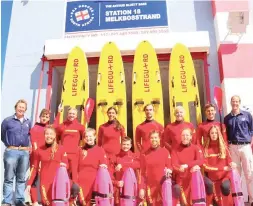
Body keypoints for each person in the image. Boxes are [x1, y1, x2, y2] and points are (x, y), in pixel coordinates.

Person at [26, 125, 68, 206]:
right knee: (46, 203)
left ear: (55, 135)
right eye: (47, 134)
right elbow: (34, 168)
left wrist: (63, 165)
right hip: (44, 183)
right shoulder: (39, 150)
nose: (49, 136)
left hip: (58, 182)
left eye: (51, 134)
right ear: (44, 135)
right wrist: (29, 183)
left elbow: (67, 165)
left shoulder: (61, 149)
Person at [1, 99, 32, 206]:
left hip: (24, 152)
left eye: (23, 107)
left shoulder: (28, 121)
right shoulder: (7, 121)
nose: (21, 109)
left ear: (25, 110)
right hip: (11, 151)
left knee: (21, 177)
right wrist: (10, 146)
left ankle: (19, 200)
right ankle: (7, 201)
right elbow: (3, 135)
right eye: (19, 107)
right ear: (16, 108)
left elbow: (30, 136)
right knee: (9, 177)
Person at [224, 95, 253, 205]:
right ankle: (238, 200)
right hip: (233, 147)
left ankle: (251, 199)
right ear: (230, 103)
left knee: (249, 174)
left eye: (236, 101)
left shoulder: (247, 115)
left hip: (245, 147)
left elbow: (252, 129)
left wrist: (250, 142)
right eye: (233, 101)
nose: (235, 103)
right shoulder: (227, 118)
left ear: (239, 102)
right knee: (236, 175)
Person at [72, 128, 108, 206]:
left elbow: (104, 167)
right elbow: (74, 167)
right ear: (84, 139)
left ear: (95, 137)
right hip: (81, 182)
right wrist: (75, 182)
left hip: (95, 184)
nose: (88, 138)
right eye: (86, 136)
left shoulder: (100, 150)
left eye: (90, 136)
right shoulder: (79, 150)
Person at [203, 125, 236, 205]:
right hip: (212, 179)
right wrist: (222, 168)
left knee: (225, 187)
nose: (214, 135)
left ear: (219, 134)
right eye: (212, 133)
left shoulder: (224, 147)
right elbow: (205, 167)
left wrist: (231, 163)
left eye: (216, 133)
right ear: (209, 135)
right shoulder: (205, 149)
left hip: (224, 177)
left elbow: (229, 159)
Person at [171, 128, 204, 205]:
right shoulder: (175, 149)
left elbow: (201, 161)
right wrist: (180, 168)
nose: (185, 137)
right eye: (183, 135)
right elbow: (174, 164)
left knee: (208, 185)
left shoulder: (196, 148)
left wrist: (188, 165)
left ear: (191, 137)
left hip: (194, 180)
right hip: (181, 181)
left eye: (187, 135)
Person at [139, 130, 172, 205]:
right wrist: (141, 188)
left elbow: (170, 167)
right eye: (152, 138)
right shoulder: (144, 154)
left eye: (156, 137)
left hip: (163, 186)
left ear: (159, 138)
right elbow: (142, 173)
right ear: (149, 139)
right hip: (151, 187)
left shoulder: (165, 152)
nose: (154, 139)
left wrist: (169, 170)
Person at [55, 106, 85, 178]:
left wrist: (83, 150)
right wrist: (59, 112)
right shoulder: (62, 126)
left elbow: (84, 139)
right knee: (63, 175)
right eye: (70, 113)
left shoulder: (81, 127)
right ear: (67, 114)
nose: (71, 115)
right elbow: (55, 128)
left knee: (74, 175)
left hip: (75, 155)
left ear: (76, 115)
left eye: (73, 114)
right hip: (63, 154)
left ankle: (74, 188)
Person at [29, 109, 50, 206]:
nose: (44, 118)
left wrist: (58, 113)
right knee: (34, 178)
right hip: (36, 157)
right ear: (40, 117)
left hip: (46, 157)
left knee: (45, 178)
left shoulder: (49, 128)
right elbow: (34, 143)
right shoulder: (35, 128)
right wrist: (38, 154)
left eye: (46, 117)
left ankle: (46, 200)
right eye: (43, 116)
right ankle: (34, 201)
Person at [98, 107, 126, 177]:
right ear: (107, 114)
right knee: (107, 174)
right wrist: (100, 153)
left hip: (117, 154)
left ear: (116, 114)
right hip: (105, 154)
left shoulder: (120, 127)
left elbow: (124, 141)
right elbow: (99, 142)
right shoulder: (102, 127)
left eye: (113, 113)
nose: (111, 114)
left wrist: (123, 154)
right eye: (109, 113)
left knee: (117, 174)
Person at [113, 137, 140, 205]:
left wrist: (123, 164)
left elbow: (138, 165)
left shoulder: (134, 156)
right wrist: (116, 182)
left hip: (130, 188)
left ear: (131, 145)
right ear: (121, 145)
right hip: (119, 187)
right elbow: (111, 173)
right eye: (124, 144)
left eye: (128, 144)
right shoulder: (116, 157)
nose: (126, 146)